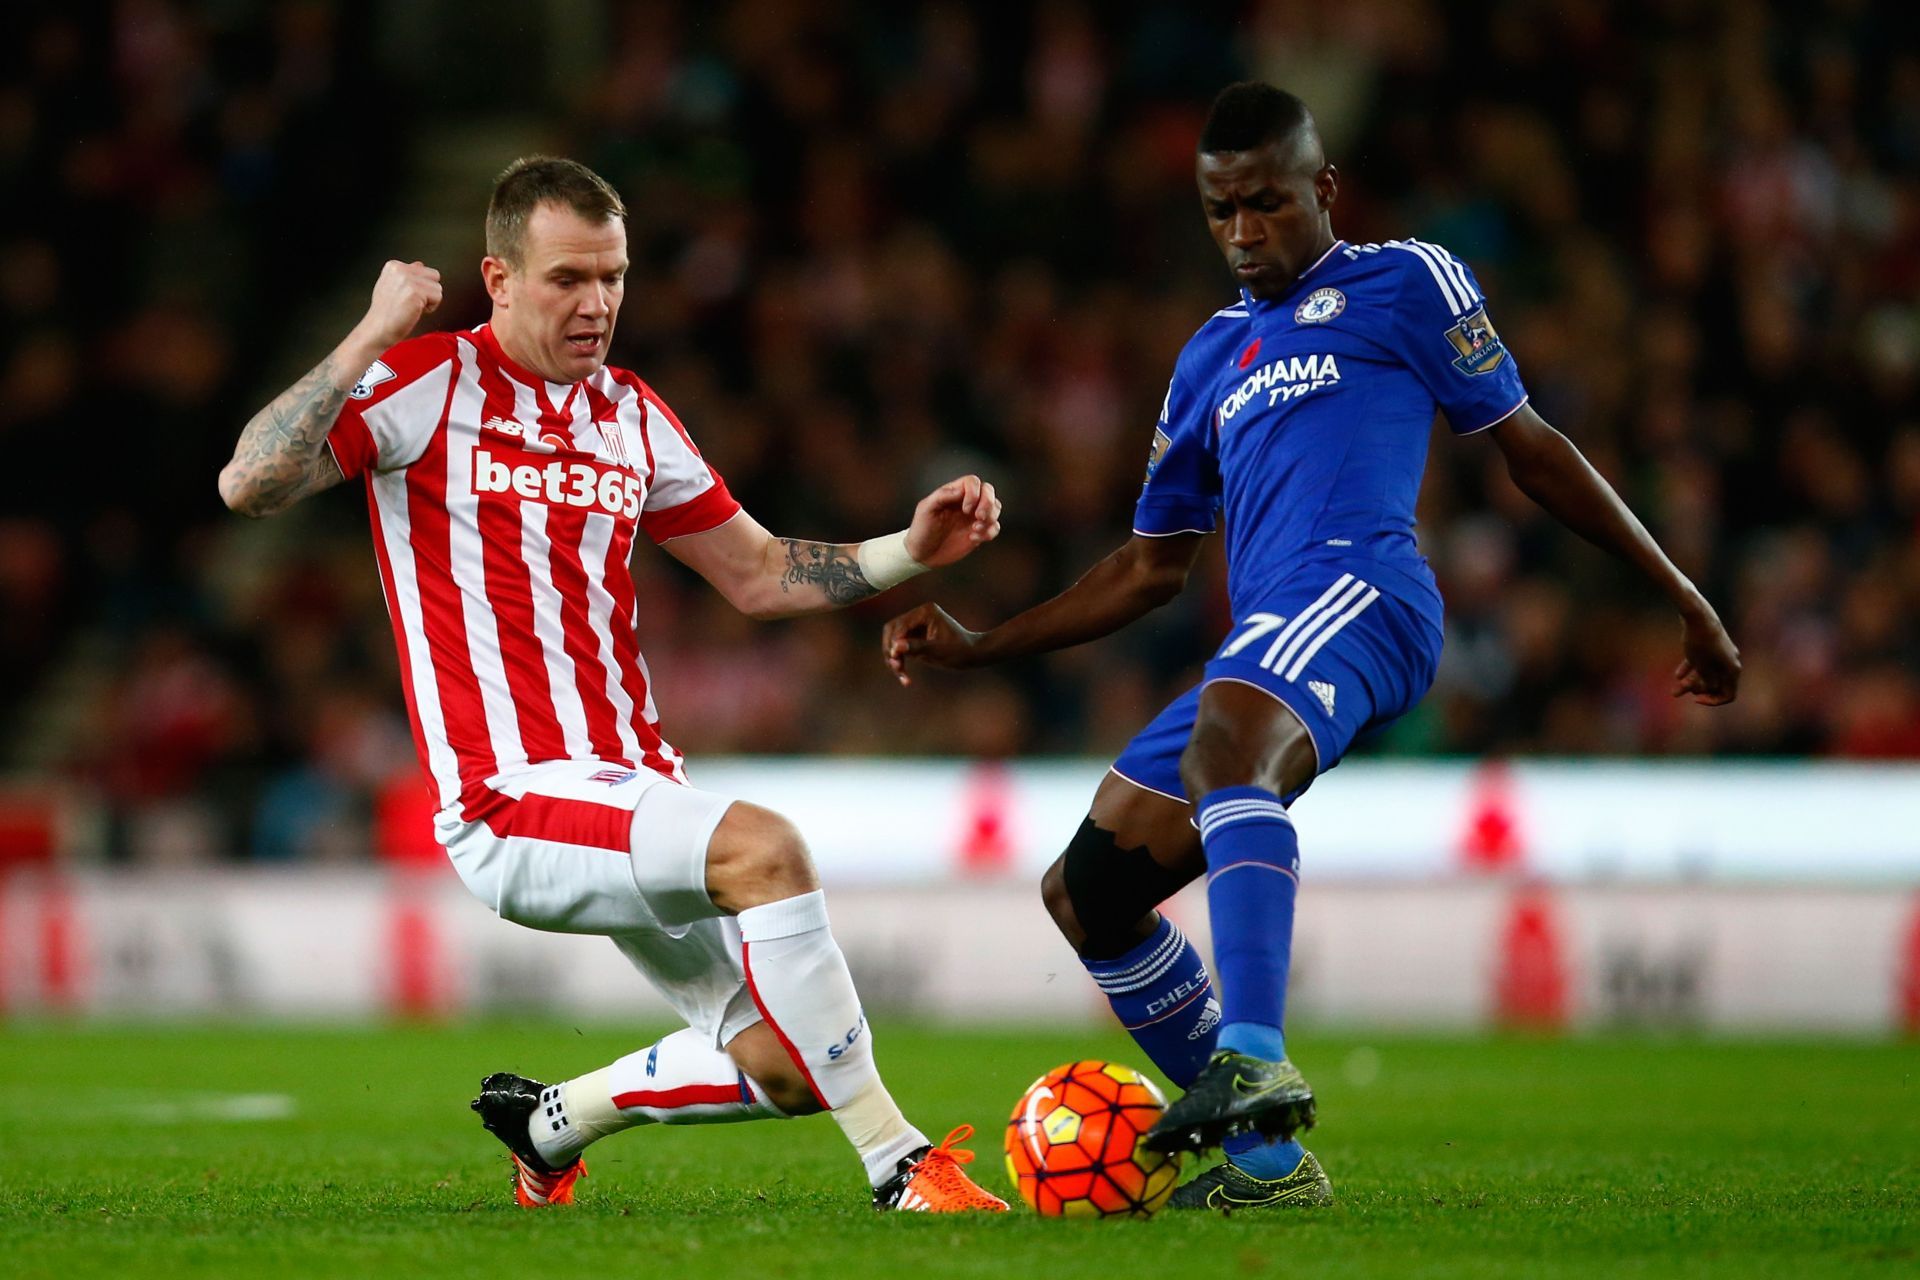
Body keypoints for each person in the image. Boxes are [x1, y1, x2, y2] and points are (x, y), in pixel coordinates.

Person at [880, 83, 1742, 1212]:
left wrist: (1686, 596)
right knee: (1087, 889)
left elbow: (1531, 449)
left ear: (1321, 188)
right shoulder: (1207, 359)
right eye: (1221, 212)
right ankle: (1270, 1163)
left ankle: (1251, 1052)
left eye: (1267, 205)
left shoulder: (1406, 281)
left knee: (1229, 750)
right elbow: (1150, 567)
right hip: (1263, 642)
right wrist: (984, 645)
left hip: (1369, 592)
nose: (1244, 234)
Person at [218, 156, 1008, 1214]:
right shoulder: (421, 384)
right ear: (495, 278)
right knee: (767, 848)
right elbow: (249, 482)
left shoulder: (631, 413)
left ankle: (553, 1120)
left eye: (614, 277)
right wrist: (371, 331)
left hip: (632, 783)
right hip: (507, 795)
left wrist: (905, 550)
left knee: (787, 1064)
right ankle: (903, 1164)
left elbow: (759, 571)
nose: (597, 304)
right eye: (567, 279)